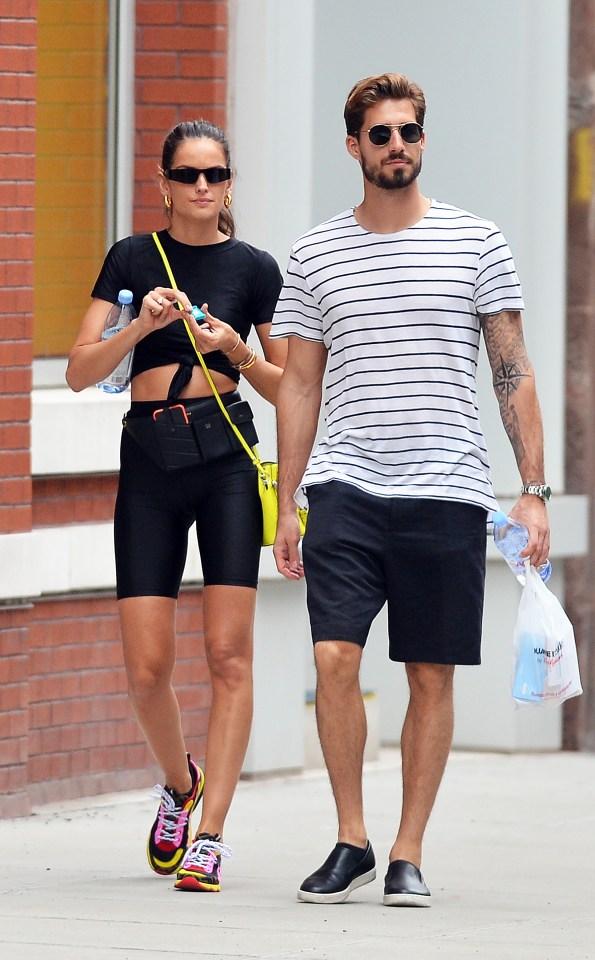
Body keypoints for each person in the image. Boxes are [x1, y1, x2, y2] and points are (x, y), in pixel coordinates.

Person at [270, 74, 550, 908]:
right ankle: (351, 836)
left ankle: (406, 848)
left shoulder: (477, 242)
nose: (399, 145)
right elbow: (297, 387)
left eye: (411, 132)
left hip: (447, 488)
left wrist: (533, 489)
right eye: (383, 134)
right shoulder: (316, 253)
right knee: (334, 659)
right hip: (346, 485)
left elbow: (513, 370)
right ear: (353, 145)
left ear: (422, 141)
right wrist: (287, 500)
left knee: (430, 675)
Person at [66, 119, 286, 893]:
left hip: (225, 459)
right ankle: (180, 783)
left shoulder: (255, 268)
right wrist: (137, 328)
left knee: (228, 656)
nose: (201, 188)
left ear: (230, 185)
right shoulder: (131, 257)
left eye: (215, 175)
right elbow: (75, 369)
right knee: (146, 668)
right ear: (161, 184)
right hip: (151, 460)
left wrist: (233, 347)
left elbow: (288, 385)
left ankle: (212, 835)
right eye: (187, 175)